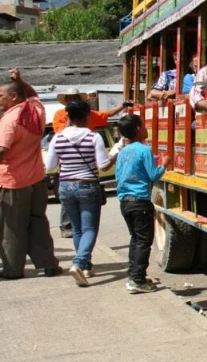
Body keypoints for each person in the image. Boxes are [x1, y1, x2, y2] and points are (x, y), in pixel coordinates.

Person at [0, 69, 62, 279]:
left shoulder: (9, 120)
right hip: (37, 180)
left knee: (12, 228)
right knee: (38, 223)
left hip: (13, 183)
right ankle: (49, 264)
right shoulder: (36, 111)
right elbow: (33, 94)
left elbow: (1, 150)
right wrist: (21, 81)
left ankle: (12, 270)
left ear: (14, 96)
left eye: (1, 96)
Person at [45, 100, 113, 287]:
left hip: (65, 187)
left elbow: (50, 166)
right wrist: (114, 156)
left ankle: (85, 266)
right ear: (87, 116)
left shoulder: (57, 138)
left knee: (77, 229)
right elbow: (103, 165)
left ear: (68, 117)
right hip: (87, 185)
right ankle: (79, 263)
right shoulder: (93, 137)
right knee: (90, 229)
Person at [53, 88, 130, 238]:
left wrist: (123, 105)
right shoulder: (61, 116)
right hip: (72, 164)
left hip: (81, 166)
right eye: (70, 98)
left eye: (75, 97)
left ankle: (77, 234)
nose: (73, 99)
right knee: (73, 202)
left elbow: (107, 114)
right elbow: (61, 132)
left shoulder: (90, 116)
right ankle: (67, 227)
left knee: (72, 199)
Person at [115, 114, 169, 294]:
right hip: (140, 202)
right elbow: (154, 175)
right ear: (138, 129)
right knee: (144, 241)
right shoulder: (144, 150)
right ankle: (137, 280)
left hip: (125, 202)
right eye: (144, 125)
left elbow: (118, 176)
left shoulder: (123, 151)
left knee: (136, 239)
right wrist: (165, 164)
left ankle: (133, 275)